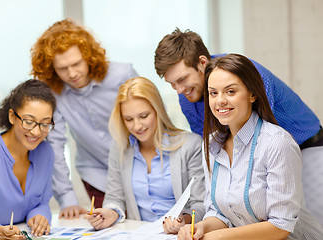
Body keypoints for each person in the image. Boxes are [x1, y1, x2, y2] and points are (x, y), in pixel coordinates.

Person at [177, 54, 323, 240]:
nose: (220, 100)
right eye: (213, 93)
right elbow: (220, 212)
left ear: (252, 94)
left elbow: (281, 226)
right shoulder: (211, 144)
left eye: (230, 92)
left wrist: (220, 237)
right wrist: (201, 227)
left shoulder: (277, 142)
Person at [31, 19, 138, 219]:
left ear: (88, 56)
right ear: (51, 68)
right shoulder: (53, 94)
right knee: (107, 229)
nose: (71, 74)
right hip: (95, 175)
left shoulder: (122, 74)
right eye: (62, 68)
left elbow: (154, 118)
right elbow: (54, 144)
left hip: (138, 168)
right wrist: (67, 198)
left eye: (76, 64)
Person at [154, 28, 323, 149]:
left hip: (308, 144)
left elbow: (261, 138)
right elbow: (210, 145)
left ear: (202, 62)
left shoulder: (245, 74)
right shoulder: (187, 96)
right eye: (172, 83)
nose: (179, 90)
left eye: (182, 79)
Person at [84, 77, 205, 234]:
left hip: (178, 235)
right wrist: (110, 213)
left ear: (158, 111)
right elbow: (115, 197)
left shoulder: (190, 145)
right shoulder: (120, 148)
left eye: (143, 116)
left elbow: (200, 203)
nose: (137, 126)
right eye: (129, 119)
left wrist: (184, 220)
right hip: (140, 234)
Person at [0, 79, 56, 240]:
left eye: (45, 124)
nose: (36, 132)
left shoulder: (46, 152)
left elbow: (42, 202)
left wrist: (39, 215)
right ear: (12, 116)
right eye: (29, 122)